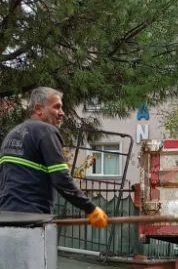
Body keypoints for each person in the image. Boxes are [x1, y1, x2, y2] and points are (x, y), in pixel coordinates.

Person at [0, 86, 108, 226]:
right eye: (56, 107)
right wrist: (91, 209)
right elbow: (61, 179)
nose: (62, 113)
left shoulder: (11, 135)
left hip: (5, 217)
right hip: (31, 219)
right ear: (38, 109)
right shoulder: (46, 131)